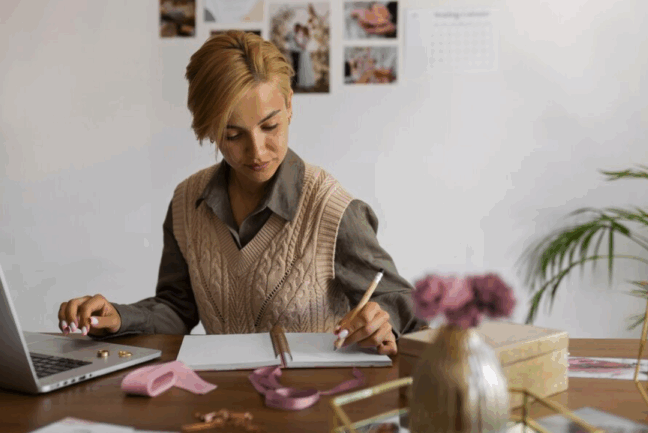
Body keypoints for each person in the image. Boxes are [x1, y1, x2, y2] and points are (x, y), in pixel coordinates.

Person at [56, 31, 426, 355]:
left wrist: (382, 320)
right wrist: (120, 317)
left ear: (290, 106)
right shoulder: (187, 203)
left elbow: (403, 305)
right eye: (233, 135)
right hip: (224, 403)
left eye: (270, 126)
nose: (257, 151)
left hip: (312, 404)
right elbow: (177, 307)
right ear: (210, 130)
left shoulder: (333, 211)